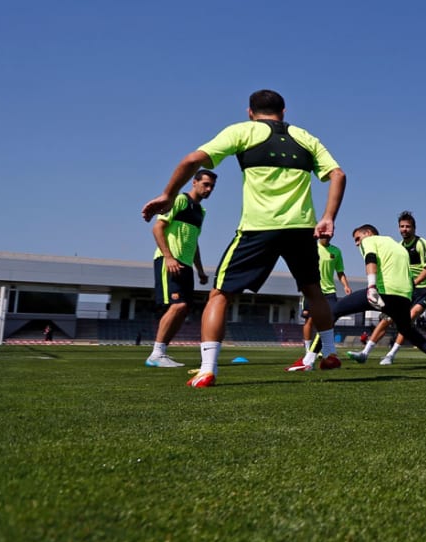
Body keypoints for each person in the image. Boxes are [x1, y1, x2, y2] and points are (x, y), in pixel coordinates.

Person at [142, 90, 346, 388]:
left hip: (258, 228)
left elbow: (193, 159)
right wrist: (328, 217)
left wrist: (168, 195)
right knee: (313, 290)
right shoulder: (305, 137)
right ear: (284, 111)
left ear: (250, 112)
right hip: (301, 229)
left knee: (220, 294)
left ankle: (207, 369)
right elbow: (338, 174)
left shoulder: (243, 130)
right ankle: (329, 353)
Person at [315, 224, 426, 369]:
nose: (357, 243)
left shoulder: (369, 241)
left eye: (357, 239)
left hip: (383, 292)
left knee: (334, 311)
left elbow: (370, 258)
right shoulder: (398, 247)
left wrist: (372, 287)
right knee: (406, 329)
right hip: (404, 296)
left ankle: (310, 359)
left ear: (368, 233)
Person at [348, 211, 426, 365]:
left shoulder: (421, 244)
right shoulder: (398, 247)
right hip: (406, 290)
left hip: (425, 288)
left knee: (409, 318)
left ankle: (391, 354)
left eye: (408, 226)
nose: (404, 229)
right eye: (401, 226)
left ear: (414, 228)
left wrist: (411, 284)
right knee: (386, 320)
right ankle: (365, 352)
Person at [145, 169, 215, 367]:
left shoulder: (201, 212)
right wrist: (168, 257)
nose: (208, 189)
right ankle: (156, 354)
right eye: (205, 184)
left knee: (183, 309)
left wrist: (200, 270)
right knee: (178, 306)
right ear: (194, 182)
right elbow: (157, 228)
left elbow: (194, 243)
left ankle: (161, 352)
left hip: (185, 265)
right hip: (169, 261)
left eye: (212, 187)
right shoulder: (179, 201)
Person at [286, 236, 351, 370]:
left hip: (330, 292)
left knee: (330, 319)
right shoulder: (311, 249)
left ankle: (325, 351)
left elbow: (340, 272)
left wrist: (345, 285)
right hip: (313, 290)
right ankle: (308, 351)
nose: (325, 236)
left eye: (328, 234)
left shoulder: (336, 251)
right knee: (310, 321)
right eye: (322, 234)